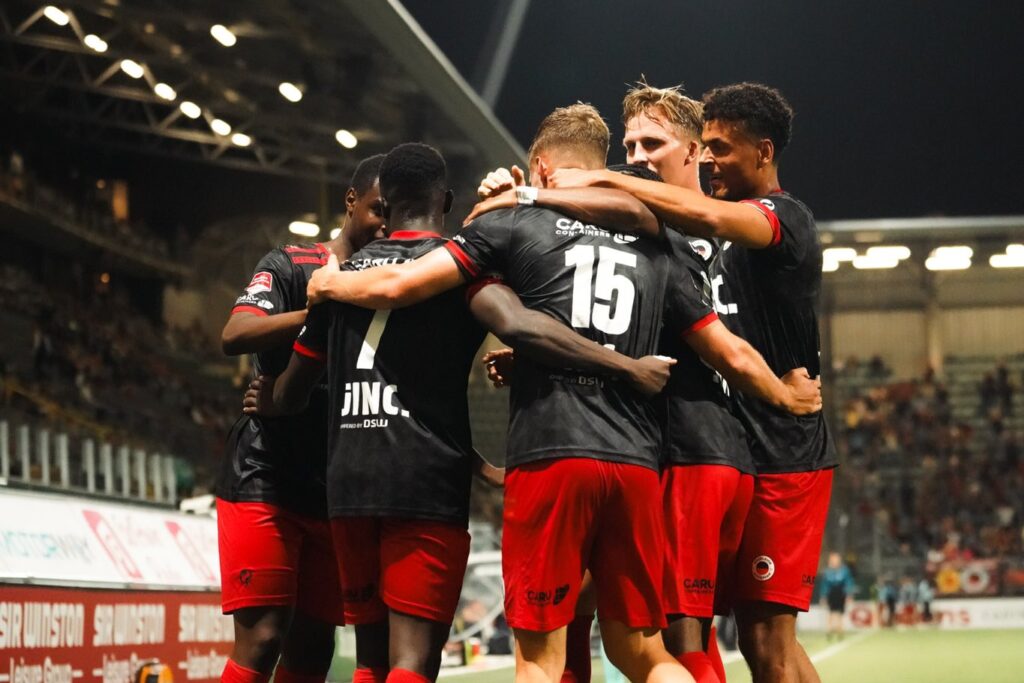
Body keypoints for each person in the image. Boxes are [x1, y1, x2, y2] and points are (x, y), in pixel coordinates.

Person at [248, 142, 678, 683]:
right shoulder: (462, 268)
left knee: (371, 660)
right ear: (446, 200)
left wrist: (269, 396)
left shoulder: (340, 279)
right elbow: (521, 325)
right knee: (413, 661)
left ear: (385, 205)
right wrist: (624, 366)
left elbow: (293, 393)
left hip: (350, 486)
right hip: (426, 486)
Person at [547, 82, 837, 683]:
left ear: (764, 152)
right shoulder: (692, 243)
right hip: (728, 445)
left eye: (720, 149)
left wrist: (598, 177)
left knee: (758, 637)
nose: (710, 159)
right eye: (705, 147)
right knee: (728, 632)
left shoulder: (781, 219)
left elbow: (707, 218)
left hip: (780, 450)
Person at [215, 154, 385, 683]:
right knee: (264, 637)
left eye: (395, 214)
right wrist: (321, 311)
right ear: (351, 201)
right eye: (377, 209)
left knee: (312, 653)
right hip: (264, 476)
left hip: (334, 492)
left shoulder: (393, 286)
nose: (385, 224)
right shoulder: (292, 263)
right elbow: (235, 334)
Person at [819, 553, 855, 641]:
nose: (834, 562)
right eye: (832, 560)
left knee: (840, 614)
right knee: (831, 613)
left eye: (836, 560)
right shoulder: (827, 572)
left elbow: (848, 583)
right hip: (831, 594)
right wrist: (823, 596)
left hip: (841, 594)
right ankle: (829, 631)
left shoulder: (844, 571)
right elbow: (824, 585)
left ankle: (840, 632)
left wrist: (849, 594)